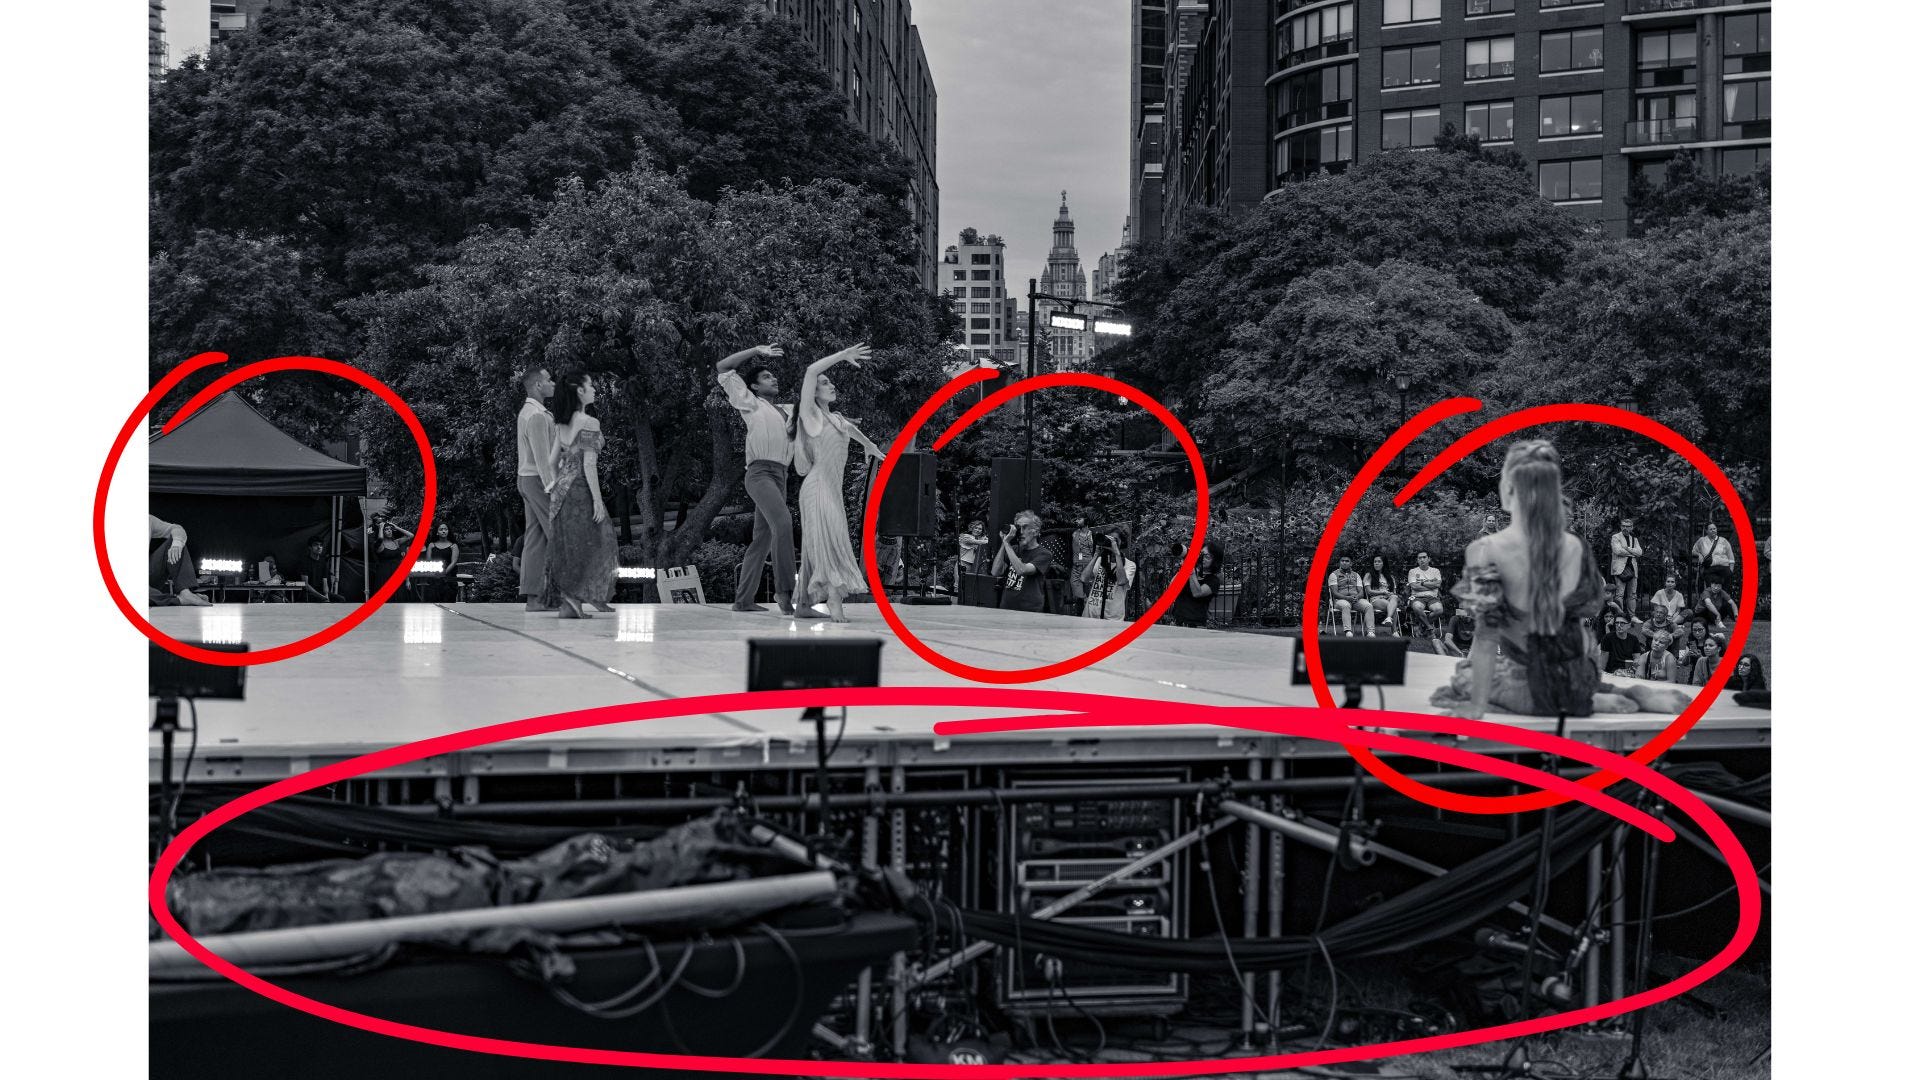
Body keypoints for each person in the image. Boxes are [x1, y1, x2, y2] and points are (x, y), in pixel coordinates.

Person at [1431, 440, 1687, 718]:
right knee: (1528, 671)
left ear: (1507, 490)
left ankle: (1592, 701)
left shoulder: (1485, 550)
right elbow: (1584, 617)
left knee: (1464, 678)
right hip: (1580, 673)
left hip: (1535, 684)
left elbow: (1485, 636)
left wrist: (1476, 706)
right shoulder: (1575, 546)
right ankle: (1612, 694)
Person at [793, 344, 884, 622]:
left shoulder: (836, 419)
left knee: (816, 544)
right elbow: (811, 371)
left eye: (830, 381)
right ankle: (834, 599)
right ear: (814, 392)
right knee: (830, 541)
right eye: (825, 382)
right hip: (817, 487)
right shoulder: (811, 417)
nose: (829, 384)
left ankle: (803, 604)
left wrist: (869, 445)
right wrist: (843, 356)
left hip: (832, 489)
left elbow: (850, 430)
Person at [716, 344, 798, 615]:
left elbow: (818, 415)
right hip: (760, 474)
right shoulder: (751, 403)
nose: (773, 378)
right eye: (766, 377)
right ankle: (785, 592)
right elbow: (723, 368)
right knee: (783, 523)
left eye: (773, 376)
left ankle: (743, 600)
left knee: (762, 539)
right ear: (753, 387)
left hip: (781, 476)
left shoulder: (786, 410)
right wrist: (756, 350)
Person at [540, 368, 619, 619]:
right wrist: (597, 500)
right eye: (591, 385)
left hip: (560, 491)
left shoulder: (562, 421)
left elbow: (552, 461)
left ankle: (578, 598)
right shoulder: (589, 422)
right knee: (602, 540)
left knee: (571, 544)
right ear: (580, 391)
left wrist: (556, 483)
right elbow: (589, 464)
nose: (594, 389)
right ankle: (578, 597)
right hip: (580, 489)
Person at [515, 366, 559, 612]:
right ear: (538, 385)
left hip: (529, 480)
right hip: (539, 481)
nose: (553, 383)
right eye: (549, 379)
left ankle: (535, 599)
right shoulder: (537, 416)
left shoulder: (533, 412)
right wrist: (553, 488)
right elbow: (543, 460)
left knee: (536, 538)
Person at [992, 509, 1053, 614]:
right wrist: (1004, 542)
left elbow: (1022, 570)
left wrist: (1007, 544)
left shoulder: (1044, 554)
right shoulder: (1014, 549)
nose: (1020, 532)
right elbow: (995, 572)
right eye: (1018, 527)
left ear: (1036, 532)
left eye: (1024, 527)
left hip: (1029, 610)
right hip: (1006, 607)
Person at [148, 514, 211, 606]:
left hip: (149, 574)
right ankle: (178, 599)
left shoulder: (148, 520)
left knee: (176, 542)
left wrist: (177, 543)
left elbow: (177, 528)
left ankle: (185, 592)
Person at [1079, 530, 1136, 620]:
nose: (1112, 542)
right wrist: (1096, 555)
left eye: (1115, 540)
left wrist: (1117, 553)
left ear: (1122, 542)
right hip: (1090, 616)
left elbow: (1121, 581)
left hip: (1112, 619)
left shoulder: (1130, 565)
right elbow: (1084, 578)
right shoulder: (1100, 561)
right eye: (1109, 539)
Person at [1170, 540, 1224, 628]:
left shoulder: (1213, 581)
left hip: (1196, 626)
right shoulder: (1190, 572)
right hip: (1177, 623)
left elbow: (1197, 593)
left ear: (1215, 560)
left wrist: (1191, 571)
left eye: (1207, 556)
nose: (1202, 558)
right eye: (1201, 554)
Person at [1327, 555, 1372, 636]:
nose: (1344, 562)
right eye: (1342, 561)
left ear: (1351, 563)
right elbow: (1334, 593)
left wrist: (1357, 597)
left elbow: (1361, 592)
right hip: (1340, 600)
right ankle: (1348, 631)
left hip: (1355, 600)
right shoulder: (1334, 574)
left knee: (1368, 605)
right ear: (1340, 563)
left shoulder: (1356, 575)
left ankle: (1370, 632)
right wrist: (1346, 598)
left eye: (1347, 561)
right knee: (1346, 605)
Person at [1609, 517, 1645, 619]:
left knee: (1632, 594)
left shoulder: (1635, 539)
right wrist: (1633, 553)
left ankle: (1632, 616)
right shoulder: (1615, 537)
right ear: (1621, 526)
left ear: (1632, 527)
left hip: (1632, 570)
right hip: (1620, 570)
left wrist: (1627, 548)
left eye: (1627, 526)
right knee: (1619, 594)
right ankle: (1620, 615)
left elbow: (1640, 553)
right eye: (1623, 526)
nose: (1625, 528)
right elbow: (1617, 551)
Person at [1406, 552, 1444, 637]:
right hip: (1417, 597)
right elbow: (1414, 586)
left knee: (1439, 610)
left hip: (1432, 598)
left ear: (1429, 559)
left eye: (1424, 557)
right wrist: (1431, 586)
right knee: (1417, 607)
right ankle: (1430, 627)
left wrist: (1422, 583)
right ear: (1417, 560)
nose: (1422, 559)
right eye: (1419, 558)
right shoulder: (1413, 571)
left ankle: (1421, 626)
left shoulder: (1435, 571)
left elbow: (1438, 585)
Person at [422, 522, 460, 603]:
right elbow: (429, 561)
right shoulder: (431, 545)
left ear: (448, 531)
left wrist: (443, 573)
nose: (443, 531)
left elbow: (453, 562)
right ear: (437, 532)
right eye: (441, 529)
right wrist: (436, 573)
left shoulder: (453, 546)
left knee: (448, 603)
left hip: (448, 579)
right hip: (433, 578)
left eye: (445, 529)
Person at [1691, 521, 1736, 590]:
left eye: (1714, 529)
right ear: (1706, 531)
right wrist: (1699, 554)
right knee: (1711, 590)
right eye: (1711, 529)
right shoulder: (1702, 541)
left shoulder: (1723, 541)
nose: (1713, 530)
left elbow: (1731, 557)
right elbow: (1693, 551)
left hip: (1724, 567)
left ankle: (1724, 600)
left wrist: (1730, 571)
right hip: (1709, 568)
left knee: (1725, 591)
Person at [1363, 556, 1399, 635]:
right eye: (1375, 562)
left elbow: (1393, 592)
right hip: (1375, 599)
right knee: (1393, 607)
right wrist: (1382, 592)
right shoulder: (1369, 575)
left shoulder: (1390, 577)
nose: (1376, 563)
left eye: (1379, 562)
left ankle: (1388, 618)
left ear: (1384, 563)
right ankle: (1394, 631)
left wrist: (1391, 594)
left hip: (1388, 598)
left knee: (1395, 597)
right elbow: (1368, 591)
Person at [296, 535, 335, 602]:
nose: (319, 547)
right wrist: (321, 597)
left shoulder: (323, 562)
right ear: (310, 547)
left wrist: (326, 597)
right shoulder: (304, 562)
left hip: (321, 593)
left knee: (341, 599)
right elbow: (305, 584)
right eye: (316, 545)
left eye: (321, 545)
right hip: (309, 593)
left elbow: (325, 582)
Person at [957, 520, 989, 595]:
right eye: (976, 528)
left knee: (970, 588)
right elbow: (978, 542)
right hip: (963, 564)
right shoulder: (965, 537)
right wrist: (987, 540)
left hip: (975, 566)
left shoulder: (980, 539)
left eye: (980, 529)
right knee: (958, 586)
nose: (977, 530)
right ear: (972, 528)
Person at [1069, 517, 1095, 605]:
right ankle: (1082, 603)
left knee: (1091, 593)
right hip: (1077, 568)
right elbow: (1059, 530)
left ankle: (1088, 609)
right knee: (1077, 594)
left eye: (1079, 519)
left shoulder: (1093, 534)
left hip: (1089, 568)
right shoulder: (1074, 533)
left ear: (1086, 520)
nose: (1076, 521)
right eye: (1076, 519)